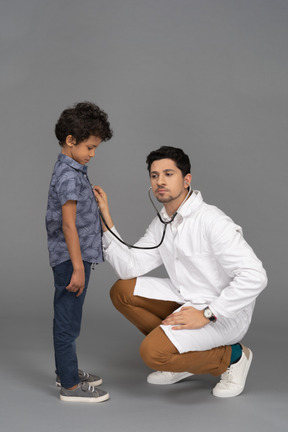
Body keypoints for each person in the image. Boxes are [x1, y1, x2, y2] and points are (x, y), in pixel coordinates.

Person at [94, 146, 267, 398]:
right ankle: (184, 356)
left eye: (168, 174)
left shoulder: (212, 221)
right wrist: (106, 220)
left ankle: (234, 358)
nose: (160, 181)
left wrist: (209, 314)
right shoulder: (163, 221)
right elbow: (129, 267)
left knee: (152, 354)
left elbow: (255, 275)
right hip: (185, 298)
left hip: (222, 312)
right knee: (122, 291)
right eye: (154, 175)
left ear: (186, 180)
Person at [46, 102, 113, 402]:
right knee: (68, 321)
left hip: (76, 257)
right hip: (72, 260)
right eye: (90, 146)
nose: (93, 154)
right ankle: (70, 386)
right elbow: (68, 226)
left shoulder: (73, 168)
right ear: (70, 140)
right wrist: (77, 267)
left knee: (69, 318)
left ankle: (67, 370)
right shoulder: (70, 175)